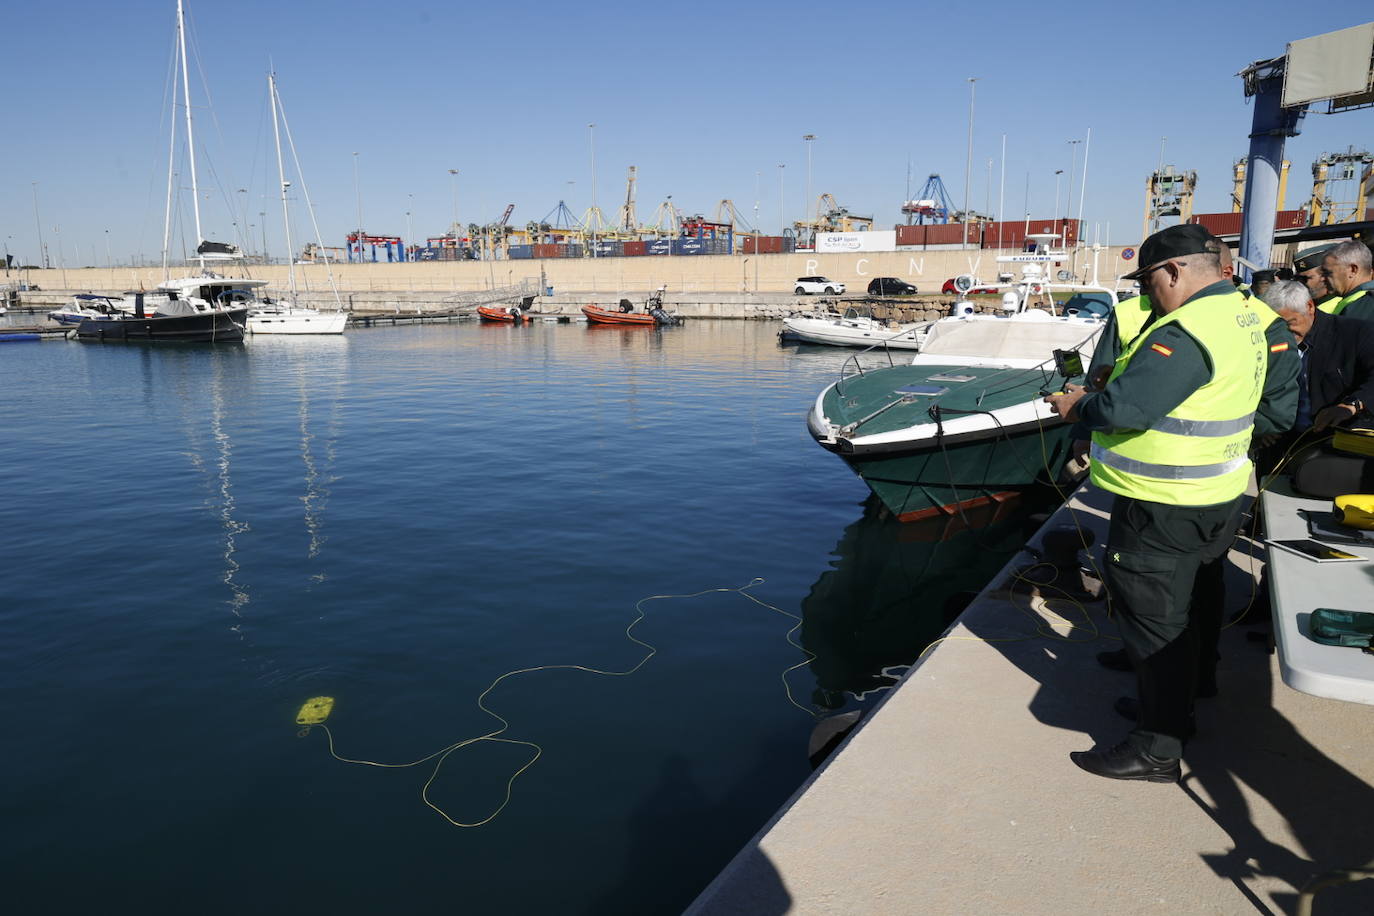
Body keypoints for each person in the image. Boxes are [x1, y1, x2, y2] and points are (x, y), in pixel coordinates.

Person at [1046, 224, 1267, 783]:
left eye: (1149, 281)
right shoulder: (1244, 315)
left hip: (1165, 504)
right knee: (1187, 610)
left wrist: (1076, 407)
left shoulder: (1189, 328)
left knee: (1155, 625)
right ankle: (1182, 700)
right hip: (1215, 492)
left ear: (1173, 271)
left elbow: (1124, 408)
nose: (1147, 295)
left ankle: (1157, 747)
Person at [1266, 279, 1374, 437]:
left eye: (1290, 323)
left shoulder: (1355, 333)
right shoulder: (1270, 338)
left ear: (1309, 307)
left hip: (1338, 439)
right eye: (1277, 326)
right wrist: (1265, 425)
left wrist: (1350, 406)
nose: (1284, 333)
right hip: (1284, 441)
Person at [1320, 239, 1374, 321]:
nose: (1322, 278)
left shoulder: (1364, 305)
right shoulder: (1357, 302)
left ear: (1353, 270)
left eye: (1328, 273)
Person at [1292, 242, 1342, 310]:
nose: (1301, 284)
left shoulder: (1341, 306)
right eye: (1298, 278)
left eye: (1305, 278)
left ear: (1325, 276)